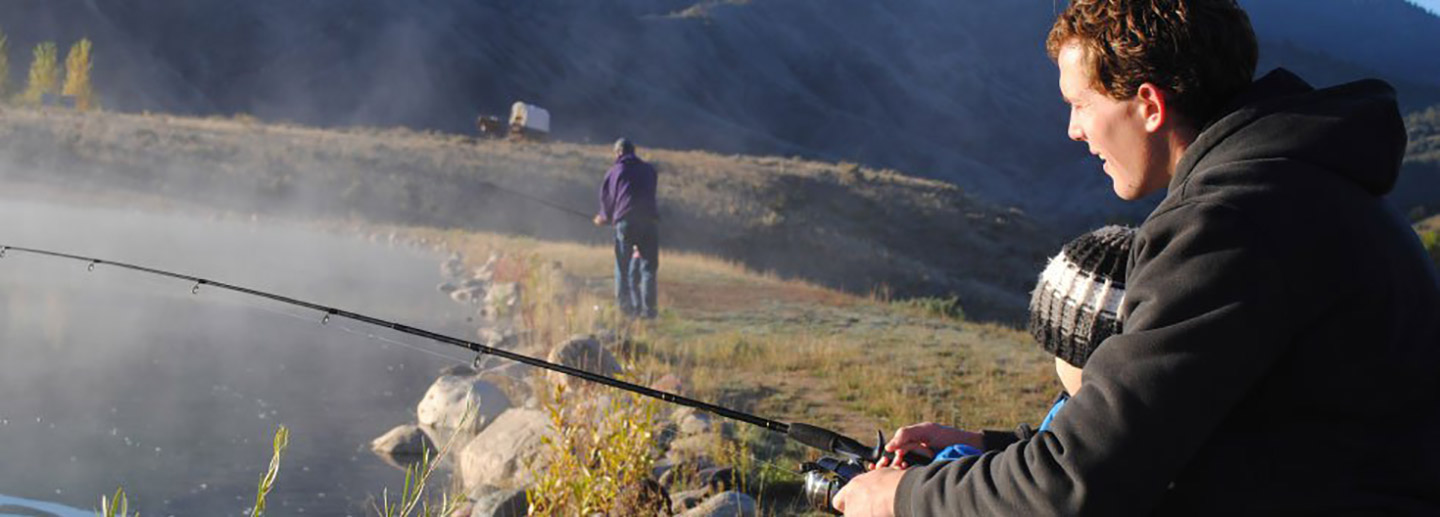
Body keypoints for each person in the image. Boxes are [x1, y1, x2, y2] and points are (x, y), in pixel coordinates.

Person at [834, 0, 1440, 515]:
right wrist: (989, 448)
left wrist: (899, 495)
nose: (1074, 130)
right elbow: (1188, 436)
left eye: (1081, 103)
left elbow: (1078, 485)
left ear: (1149, 104)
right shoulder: (1305, 189)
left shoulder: (1228, 225)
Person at [881, 226, 1134, 465]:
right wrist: (979, 442)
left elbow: (1032, 489)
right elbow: (1043, 447)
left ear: (1080, 353)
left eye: (1056, 349)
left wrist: (920, 482)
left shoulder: (1101, 440)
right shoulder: (1095, 414)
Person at [595, 138, 660, 318]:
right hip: (649, 221)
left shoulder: (615, 171)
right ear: (634, 151)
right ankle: (650, 313)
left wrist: (603, 217)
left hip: (626, 222)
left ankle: (625, 312)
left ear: (618, 153)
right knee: (648, 270)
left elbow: (608, 199)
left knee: (622, 269)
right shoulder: (649, 170)